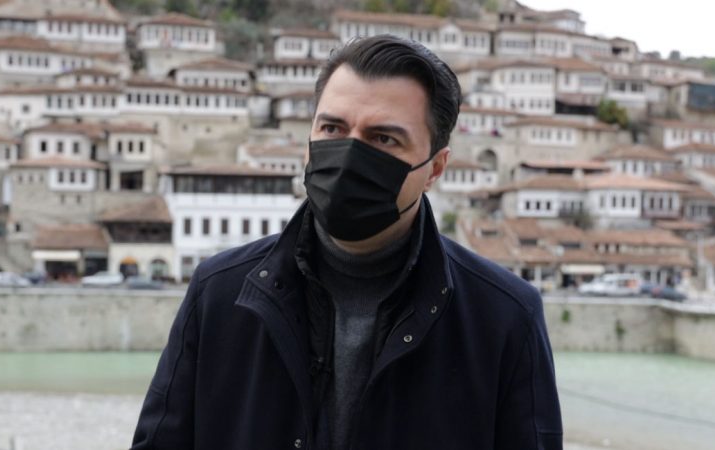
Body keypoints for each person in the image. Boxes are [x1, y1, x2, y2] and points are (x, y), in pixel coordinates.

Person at [131, 35, 562, 450]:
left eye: (384, 139)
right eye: (332, 128)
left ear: (435, 168)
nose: (350, 155)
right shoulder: (218, 293)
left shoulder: (504, 317)